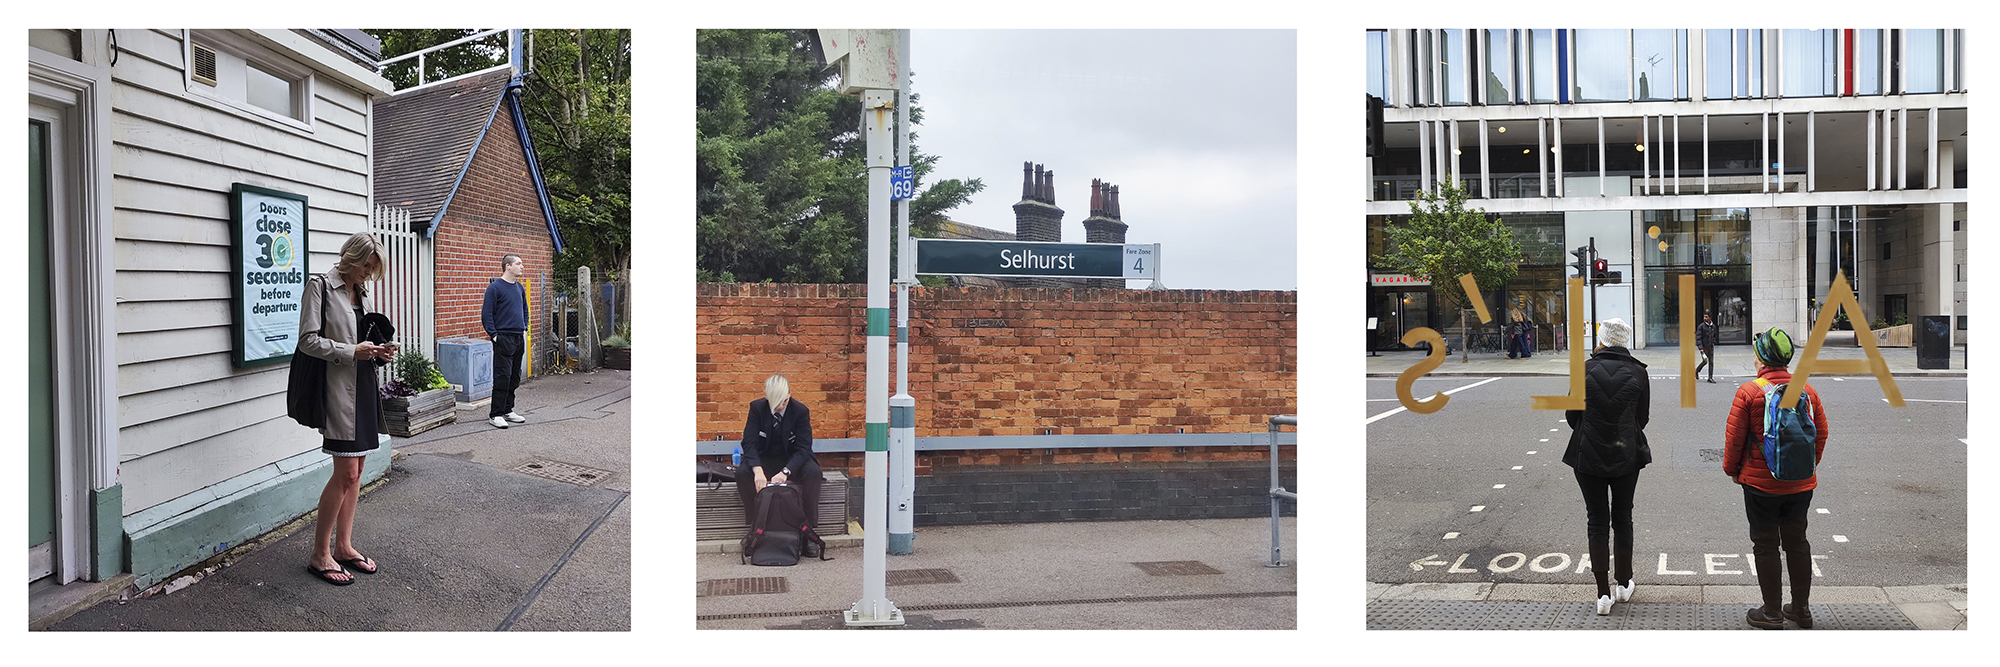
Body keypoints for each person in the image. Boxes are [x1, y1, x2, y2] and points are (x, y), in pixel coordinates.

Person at [297, 232, 396, 586]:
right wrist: (352, 351)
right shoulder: (320, 287)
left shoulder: (360, 292)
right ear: (350, 257)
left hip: (363, 387)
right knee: (346, 473)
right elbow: (307, 341)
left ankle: (343, 546)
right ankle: (319, 554)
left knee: (358, 470)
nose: (369, 273)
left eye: (373, 268)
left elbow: (356, 339)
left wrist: (378, 352)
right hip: (338, 391)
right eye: (366, 265)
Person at [1723, 327, 1829, 629]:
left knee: (1765, 544)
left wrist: (1733, 471)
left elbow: (1734, 440)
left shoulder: (1749, 392)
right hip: (1801, 484)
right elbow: (1821, 434)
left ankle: (1771, 612)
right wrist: (1807, 466)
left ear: (1761, 359)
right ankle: (1801, 610)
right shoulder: (1807, 391)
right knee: (1797, 542)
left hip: (1760, 484)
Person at [1562, 318, 1651, 615]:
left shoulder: (1584, 369)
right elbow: (1642, 418)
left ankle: (1602, 594)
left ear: (1601, 340)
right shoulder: (1639, 372)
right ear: (1625, 341)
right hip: (1627, 454)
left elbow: (1572, 416)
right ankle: (1623, 584)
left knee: (1597, 520)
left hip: (1588, 454)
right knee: (1623, 518)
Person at [735, 374, 824, 532]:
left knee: (814, 472)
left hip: (792, 459)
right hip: (765, 458)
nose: (781, 406)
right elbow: (749, 442)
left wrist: (786, 471)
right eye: (776, 403)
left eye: (784, 401)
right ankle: (756, 523)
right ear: (766, 396)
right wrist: (758, 471)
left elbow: (804, 448)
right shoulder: (757, 408)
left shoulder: (800, 411)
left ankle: (808, 527)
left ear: (790, 393)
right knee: (742, 473)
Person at [481, 254, 529, 429]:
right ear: (508, 266)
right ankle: (496, 414)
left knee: (514, 377)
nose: (522, 267)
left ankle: (508, 410)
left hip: (518, 337)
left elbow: (525, 309)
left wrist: (525, 328)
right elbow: (487, 314)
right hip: (503, 338)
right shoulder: (495, 288)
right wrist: (494, 335)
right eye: (518, 263)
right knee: (502, 376)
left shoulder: (519, 288)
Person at [1695, 313, 1719, 383]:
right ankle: (1696, 370)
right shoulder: (1701, 326)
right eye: (1704, 317)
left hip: (1710, 347)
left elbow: (1715, 335)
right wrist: (1700, 348)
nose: (1704, 318)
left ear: (1710, 318)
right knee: (1705, 361)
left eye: (1706, 317)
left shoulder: (1713, 326)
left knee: (1711, 362)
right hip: (1704, 347)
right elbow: (1698, 337)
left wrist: (1713, 342)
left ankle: (1710, 377)